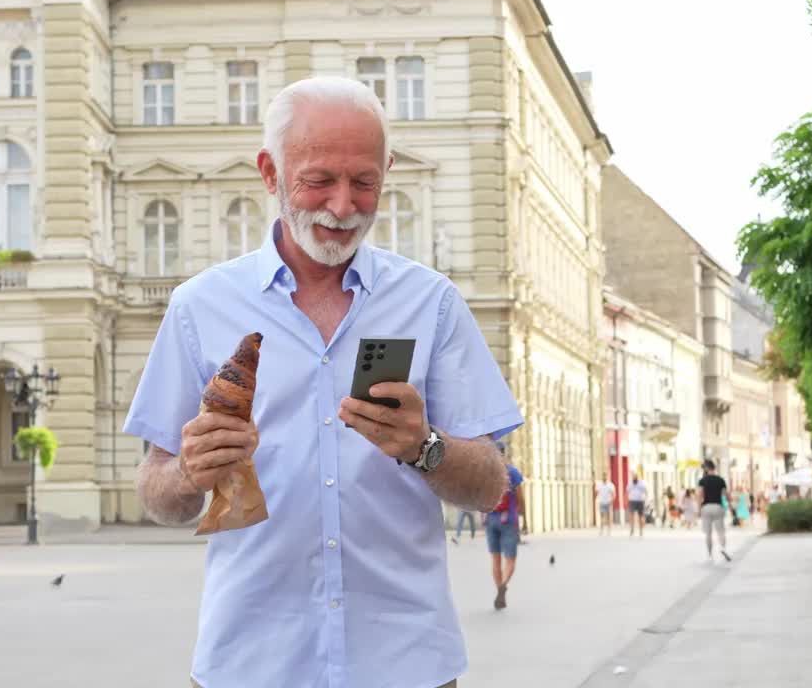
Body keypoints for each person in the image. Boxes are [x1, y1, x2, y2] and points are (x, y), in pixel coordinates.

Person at [124, 76, 522, 688]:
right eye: (318, 181)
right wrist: (187, 473)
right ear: (270, 173)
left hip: (407, 662)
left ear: (386, 171)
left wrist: (425, 447)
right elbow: (156, 491)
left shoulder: (431, 304)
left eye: (365, 182)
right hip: (252, 661)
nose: (342, 206)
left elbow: (490, 483)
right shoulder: (200, 307)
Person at [486, 453, 524, 610]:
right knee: (510, 559)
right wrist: (524, 519)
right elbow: (521, 498)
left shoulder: (487, 472)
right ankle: (503, 586)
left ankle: (499, 590)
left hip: (491, 519)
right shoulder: (512, 473)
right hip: (509, 519)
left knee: (495, 559)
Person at [698, 460, 731, 563]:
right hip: (718, 506)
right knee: (721, 531)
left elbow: (700, 495)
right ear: (714, 468)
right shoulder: (721, 480)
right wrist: (730, 505)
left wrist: (699, 509)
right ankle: (723, 548)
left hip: (706, 507)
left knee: (708, 533)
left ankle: (709, 555)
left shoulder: (702, 480)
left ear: (706, 469)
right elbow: (726, 495)